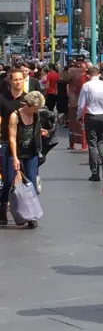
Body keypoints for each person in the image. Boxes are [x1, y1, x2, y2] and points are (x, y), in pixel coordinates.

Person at [5, 91, 47, 228]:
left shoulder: (36, 115)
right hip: (16, 152)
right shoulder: (15, 116)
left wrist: (42, 132)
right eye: (35, 108)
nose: (36, 111)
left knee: (31, 182)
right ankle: (3, 209)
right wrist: (15, 158)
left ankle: (31, 216)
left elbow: (35, 129)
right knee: (9, 182)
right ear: (28, 105)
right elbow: (12, 137)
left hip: (31, 153)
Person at [78, 66, 103, 181]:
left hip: (91, 116)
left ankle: (95, 173)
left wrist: (79, 116)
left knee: (92, 144)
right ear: (99, 74)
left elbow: (81, 105)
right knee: (101, 140)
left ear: (89, 75)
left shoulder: (86, 86)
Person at [0, 69, 27, 225]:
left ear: (24, 80)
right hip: (7, 143)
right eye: (15, 80)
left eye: (20, 79)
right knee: (9, 180)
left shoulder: (27, 99)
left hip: (25, 144)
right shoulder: (3, 99)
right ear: (10, 81)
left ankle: (27, 212)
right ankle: (2, 207)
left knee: (27, 180)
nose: (18, 82)